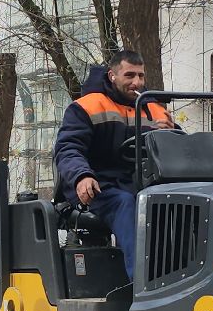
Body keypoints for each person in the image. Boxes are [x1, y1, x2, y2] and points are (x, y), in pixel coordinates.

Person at [52, 49, 174, 273]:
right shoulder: (85, 107)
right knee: (127, 204)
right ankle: (144, 287)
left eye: (140, 76)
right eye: (129, 75)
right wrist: (82, 176)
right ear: (112, 76)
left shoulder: (156, 111)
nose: (137, 82)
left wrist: (169, 135)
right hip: (100, 186)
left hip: (142, 184)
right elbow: (68, 148)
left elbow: (181, 149)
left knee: (178, 204)